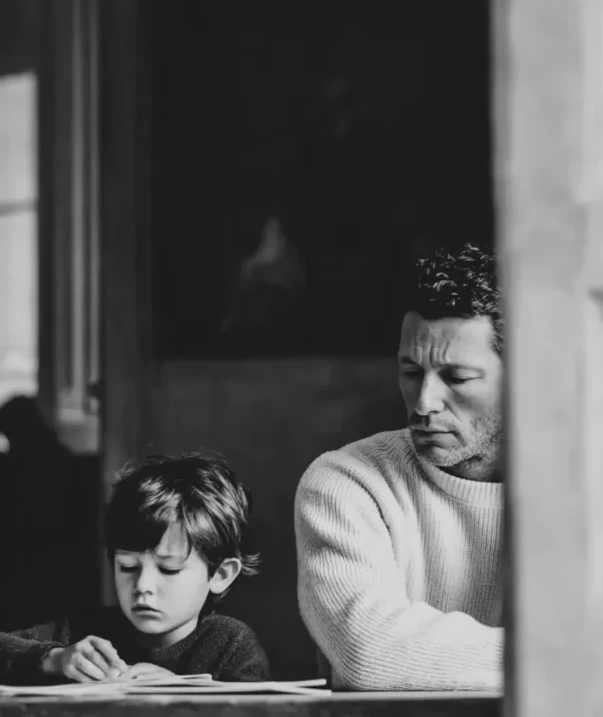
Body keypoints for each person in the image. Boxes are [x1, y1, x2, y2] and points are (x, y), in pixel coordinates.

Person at [294, 242, 504, 691]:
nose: (424, 402)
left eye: (457, 377)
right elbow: (368, 655)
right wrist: (558, 656)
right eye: (411, 372)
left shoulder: (588, 486)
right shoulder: (345, 482)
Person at [0, 453, 271, 685]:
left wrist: (185, 695)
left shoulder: (232, 646)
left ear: (220, 574)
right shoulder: (85, 631)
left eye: (168, 569)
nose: (142, 586)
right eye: (128, 567)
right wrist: (53, 658)